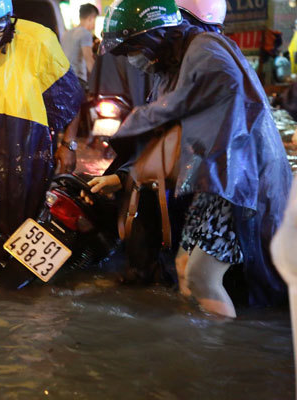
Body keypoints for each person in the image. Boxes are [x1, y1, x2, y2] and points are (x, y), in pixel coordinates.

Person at [90, 0, 292, 317]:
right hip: (211, 182)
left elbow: (203, 105)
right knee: (185, 268)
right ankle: (195, 342)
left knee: (201, 275)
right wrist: (123, 175)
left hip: (231, 181)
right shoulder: (172, 67)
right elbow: (164, 137)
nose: (134, 59)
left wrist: (156, 115)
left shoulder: (206, 49)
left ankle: (215, 352)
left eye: (135, 48)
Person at [0, 0, 83, 237]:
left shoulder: (38, 40)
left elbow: (72, 98)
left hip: (29, 155)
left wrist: (68, 145)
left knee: (26, 225)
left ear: (9, 19)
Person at [62, 4, 99, 91]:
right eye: (95, 20)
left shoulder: (66, 33)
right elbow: (89, 60)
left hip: (64, 80)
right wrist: (100, 81)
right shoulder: (85, 33)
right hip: (78, 81)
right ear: (91, 18)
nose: (94, 25)